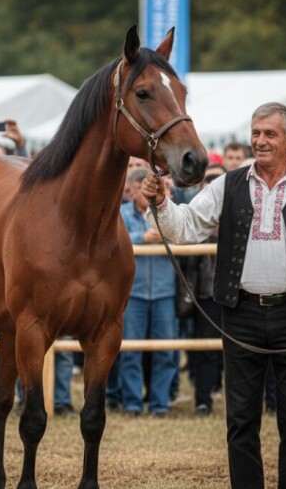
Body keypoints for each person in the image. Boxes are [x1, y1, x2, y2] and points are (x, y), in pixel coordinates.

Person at [141, 102, 286, 488]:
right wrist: (160, 202)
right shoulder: (229, 183)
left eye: (270, 134)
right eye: (256, 133)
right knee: (240, 421)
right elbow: (186, 227)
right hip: (240, 313)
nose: (260, 141)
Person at [118, 167, 178, 417]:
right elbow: (113, 239)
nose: (147, 193)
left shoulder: (168, 212)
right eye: (142, 188)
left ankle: (159, 404)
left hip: (164, 292)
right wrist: (141, 237)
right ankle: (132, 403)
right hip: (133, 293)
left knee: (166, 351)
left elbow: (185, 234)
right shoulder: (121, 214)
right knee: (130, 351)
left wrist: (165, 236)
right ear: (132, 190)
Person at [179, 163, 226, 416]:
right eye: (209, 183)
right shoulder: (196, 214)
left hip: (238, 293)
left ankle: (262, 401)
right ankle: (203, 400)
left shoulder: (239, 212)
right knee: (205, 348)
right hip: (204, 292)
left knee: (241, 349)